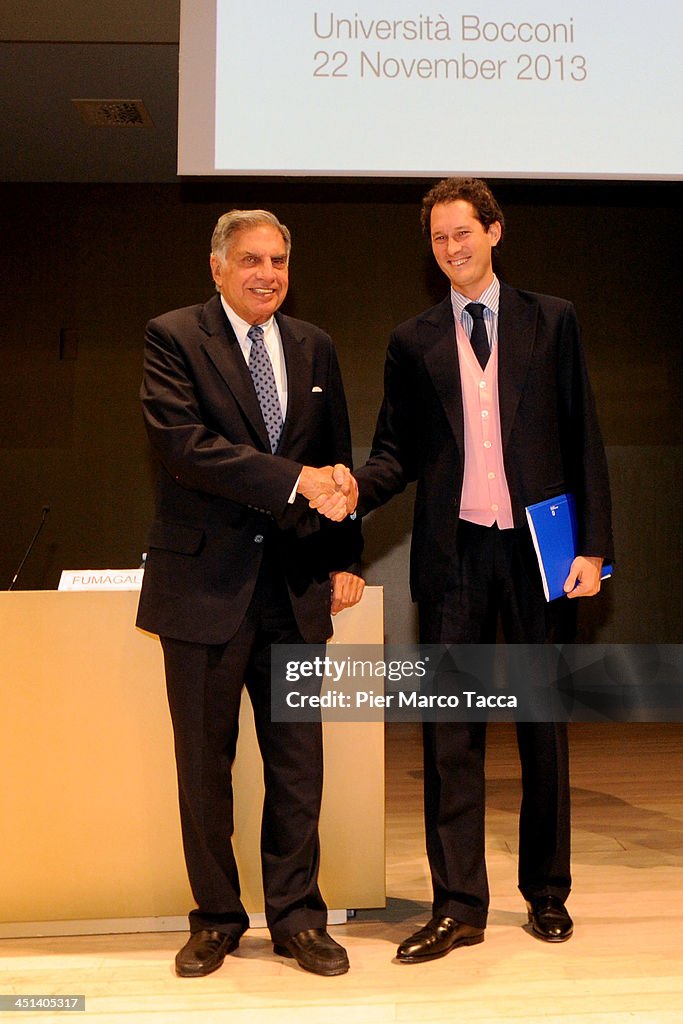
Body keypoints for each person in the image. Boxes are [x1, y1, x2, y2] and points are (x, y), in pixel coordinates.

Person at [348, 177, 614, 961]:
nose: (452, 247)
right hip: (453, 554)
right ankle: (458, 905)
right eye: (438, 239)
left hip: (540, 552)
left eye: (464, 232)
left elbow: (583, 437)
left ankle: (547, 896)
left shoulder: (551, 320)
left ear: (494, 231)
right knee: (450, 737)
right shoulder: (413, 339)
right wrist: (350, 491)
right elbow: (396, 451)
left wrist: (593, 549)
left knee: (542, 730)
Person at [136, 209, 363, 978]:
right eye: (250, 260)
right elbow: (184, 448)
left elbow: (334, 460)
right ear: (217, 267)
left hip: (295, 590)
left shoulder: (314, 345)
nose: (266, 273)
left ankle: (298, 918)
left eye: (277, 261)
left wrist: (345, 556)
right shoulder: (172, 336)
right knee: (204, 768)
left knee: (297, 767)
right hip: (203, 588)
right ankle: (215, 919)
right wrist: (294, 481)